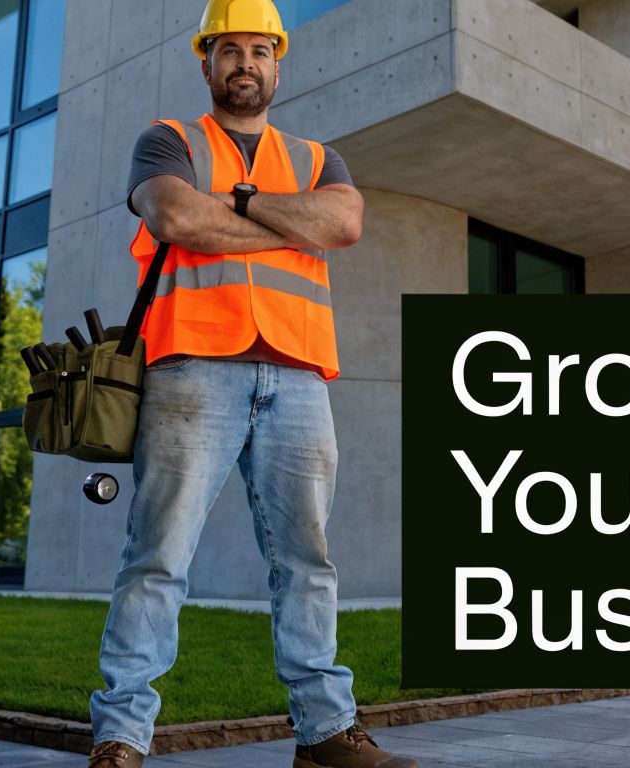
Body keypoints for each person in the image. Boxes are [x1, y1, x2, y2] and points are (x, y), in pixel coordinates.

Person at [86, 1, 415, 767]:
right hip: (193, 369)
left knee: (308, 560)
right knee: (157, 557)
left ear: (278, 62)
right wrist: (281, 224)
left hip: (297, 375)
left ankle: (326, 732)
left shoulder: (316, 157)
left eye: (259, 50)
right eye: (228, 49)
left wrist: (231, 207)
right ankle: (121, 737)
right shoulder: (168, 143)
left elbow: (342, 225)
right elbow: (172, 216)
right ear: (206, 62)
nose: (244, 63)